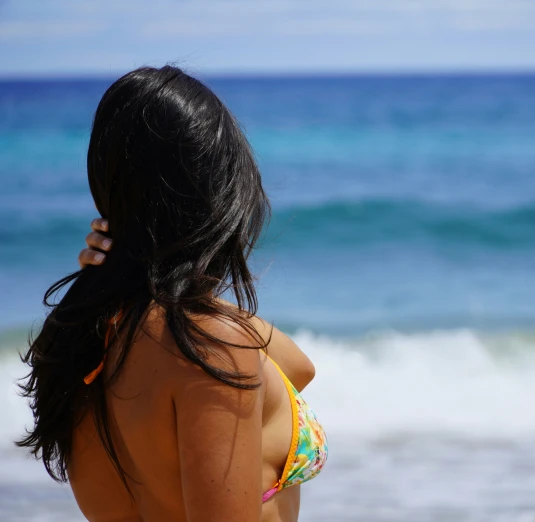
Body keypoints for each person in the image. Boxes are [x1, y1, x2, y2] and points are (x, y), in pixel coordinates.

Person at [17, 66, 327, 522]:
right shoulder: (211, 348)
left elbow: (298, 369)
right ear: (212, 194)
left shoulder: (82, 337)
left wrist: (140, 275)